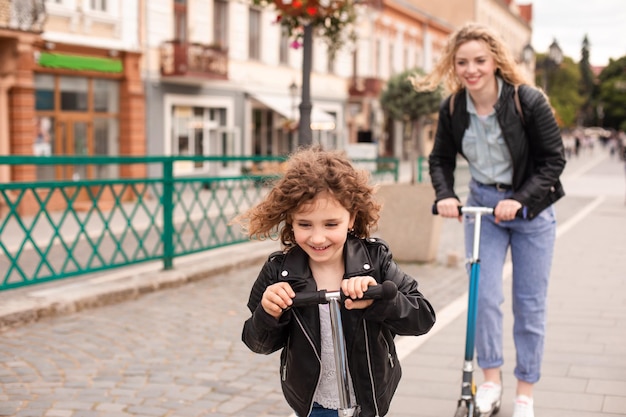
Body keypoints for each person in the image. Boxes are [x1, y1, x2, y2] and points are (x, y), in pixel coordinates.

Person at [412, 23, 566, 417]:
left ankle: (525, 392)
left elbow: (553, 162)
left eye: (479, 60)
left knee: (529, 304)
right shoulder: (452, 108)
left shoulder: (526, 100)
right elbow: (440, 160)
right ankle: (492, 383)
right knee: (484, 298)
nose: (471, 69)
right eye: (462, 62)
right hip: (483, 208)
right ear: (454, 65)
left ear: (495, 60)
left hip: (532, 210)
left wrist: (519, 200)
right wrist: (446, 194)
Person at [236, 146, 436, 417]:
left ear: (351, 218)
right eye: (305, 225)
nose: (318, 238)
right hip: (312, 403)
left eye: (331, 224)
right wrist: (269, 313)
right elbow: (258, 343)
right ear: (291, 221)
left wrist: (380, 300)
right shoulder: (279, 271)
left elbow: (422, 317)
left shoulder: (375, 260)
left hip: (368, 402)